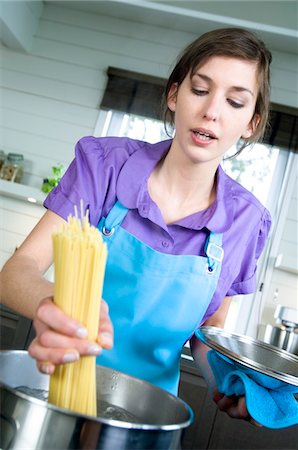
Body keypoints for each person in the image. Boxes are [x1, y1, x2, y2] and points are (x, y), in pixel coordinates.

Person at [1, 27, 272, 425]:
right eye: (200, 90)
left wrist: (231, 383)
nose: (212, 111)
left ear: (252, 122)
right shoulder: (103, 166)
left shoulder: (247, 221)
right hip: (55, 392)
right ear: (174, 95)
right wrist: (52, 307)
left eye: (235, 101)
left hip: (148, 417)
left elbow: (209, 330)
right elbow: (15, 273)